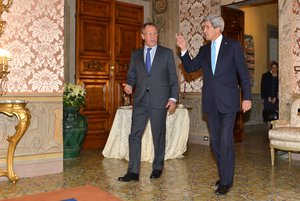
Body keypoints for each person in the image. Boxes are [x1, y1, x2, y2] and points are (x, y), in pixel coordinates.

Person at [176, 15, 252, 195]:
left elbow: (243, 73)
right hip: (211, 103)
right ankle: (224, 175)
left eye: (206, 27)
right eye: (203, 27)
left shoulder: (233, 46)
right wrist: (184, 49)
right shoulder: (204, 50)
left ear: (217, 28)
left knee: (226, 140)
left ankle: (226, 181)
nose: (204, 31)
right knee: (216, 143)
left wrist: (247, 97)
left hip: (229, 102)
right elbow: (190, 68)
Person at [118, 22, 179, 182]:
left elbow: (173, 78)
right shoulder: (136, 54)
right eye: (150, 34)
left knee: (158, 135)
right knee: (134, 135)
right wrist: (129, 85)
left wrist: (173, 98)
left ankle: (157, 167)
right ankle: (133, 172)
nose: (153, 36)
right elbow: (131, 75)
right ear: (143, 36)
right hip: (140, 101)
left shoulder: (166, 53)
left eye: (155, 33)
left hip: (160, 100)